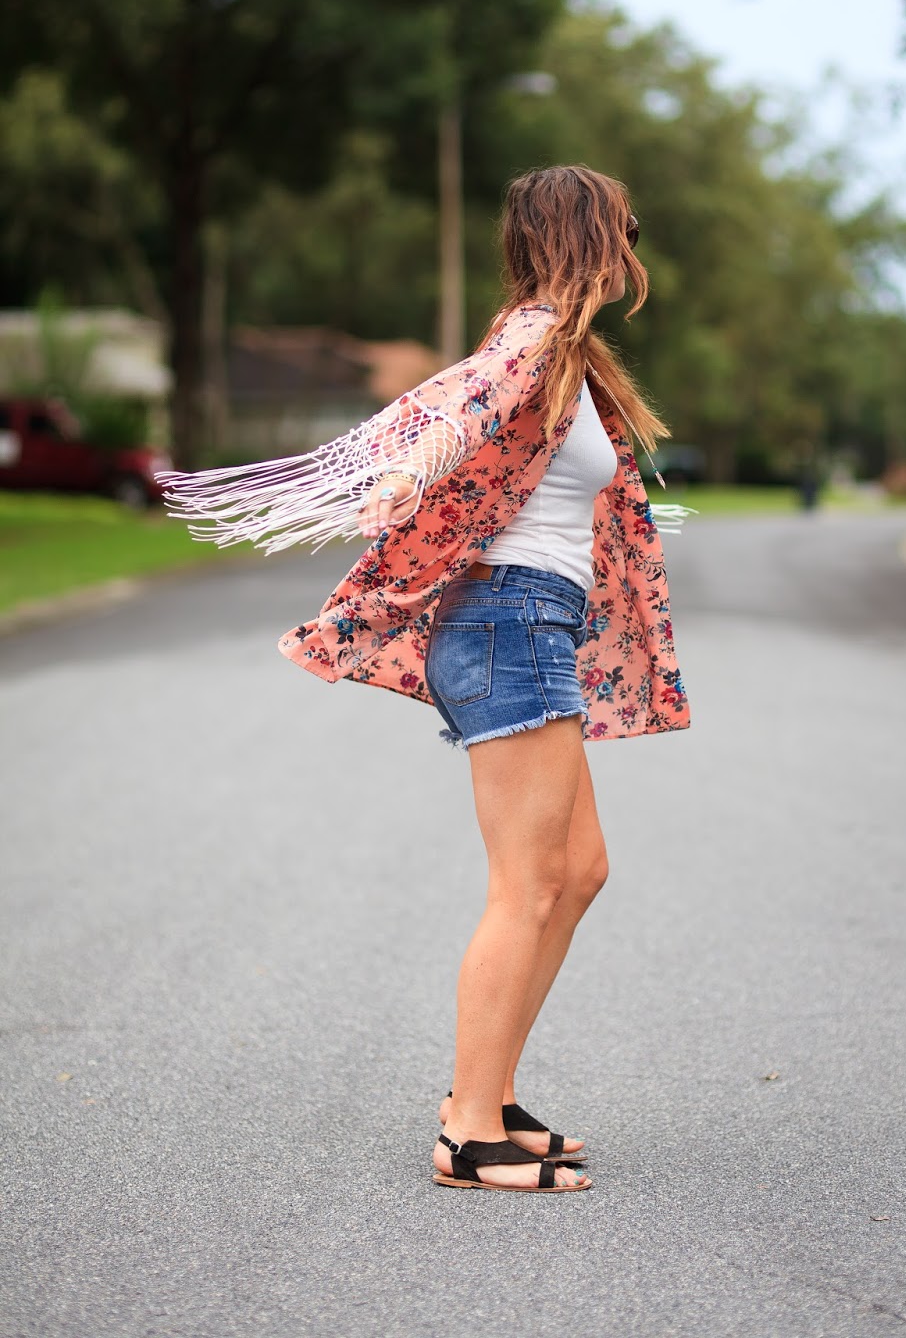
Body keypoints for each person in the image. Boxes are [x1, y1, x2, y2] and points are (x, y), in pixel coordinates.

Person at [158, 164, 691, 1195]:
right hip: (508, 621)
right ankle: (470, 1132)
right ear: (588, 233)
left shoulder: (563, 353)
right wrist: (404, 473)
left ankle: (486, 1096)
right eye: (625, 226)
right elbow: (461, 413)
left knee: (579, 870)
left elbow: (494, 422)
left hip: (529, 622)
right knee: (528, 883)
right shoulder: (534, 335)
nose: (635, 243)